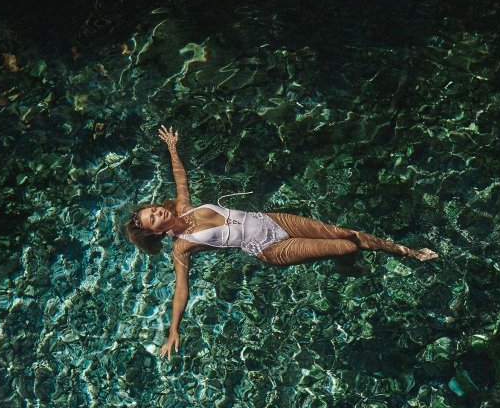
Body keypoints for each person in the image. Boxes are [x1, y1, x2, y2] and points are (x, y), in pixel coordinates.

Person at [126, 125, 438, 359]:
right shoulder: (182, 247)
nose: (157, 211)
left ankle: (409, 253)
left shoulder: (183, 207)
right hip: (269, 248)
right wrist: (173, 329)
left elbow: (180, 178)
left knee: (347, 232)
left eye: (153, 209)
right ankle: (345, 264)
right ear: (156, 232)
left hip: (273, 220)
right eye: (153, 218)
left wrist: (172, 147)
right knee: (348, 246)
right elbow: (181, 289)